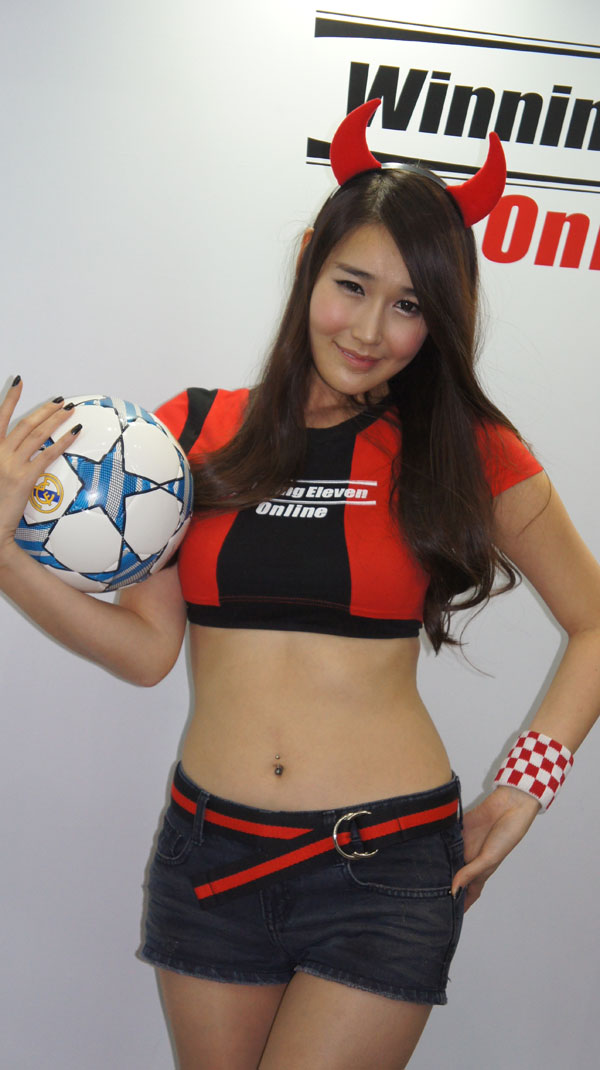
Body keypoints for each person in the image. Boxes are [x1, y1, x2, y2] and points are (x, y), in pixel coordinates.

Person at [1, 98, 599, 1070]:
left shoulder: (465, 448)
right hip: (208, 857)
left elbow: (594, 620)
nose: (369, 329)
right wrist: (4, 555)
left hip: (385, 865)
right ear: (308, 267)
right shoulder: (191, 431)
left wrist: (528, 784)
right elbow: (147, 650)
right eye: (351, 286)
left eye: (410, 305)